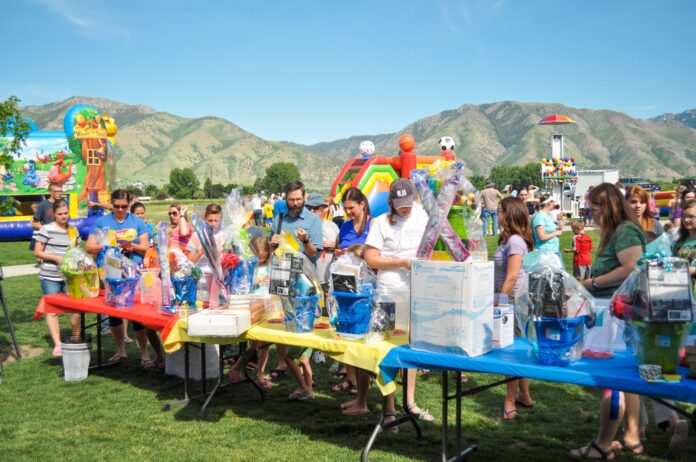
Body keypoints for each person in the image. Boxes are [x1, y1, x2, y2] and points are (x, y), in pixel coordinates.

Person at [571, 183, 647, 459]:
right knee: (624, 378)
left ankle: (603, 445)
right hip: (616, 311)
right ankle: (631, 436)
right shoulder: (619, 230)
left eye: (594, 209)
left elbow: (631, 267)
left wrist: (592, 283)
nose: (591, 214)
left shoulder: (625, 231)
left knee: (611, 379)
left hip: (617, 314)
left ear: (609, 207)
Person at [365, 179, 433, 424]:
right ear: (391, 202)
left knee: (411, 346)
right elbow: (371, 258)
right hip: (388, 292)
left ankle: (410, 401)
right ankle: (389, 407)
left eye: (408, 203)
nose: (405, 208)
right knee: (386, 348)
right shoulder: (380, 222)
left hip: (416, 291)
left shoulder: (423, 216)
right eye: (399, 204)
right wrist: (401, 262)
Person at [85, 189, 149, 364]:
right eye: (116, 206)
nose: (120, 209)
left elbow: (145, 247)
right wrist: (107, 244)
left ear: (129, 204)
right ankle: (120, 351)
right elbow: (89, 247)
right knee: (114, 313)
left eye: (124, 206)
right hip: (110, 274)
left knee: (137, 315)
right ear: (111, 204)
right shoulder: (101, 222)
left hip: (132, 274)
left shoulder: (137, 222)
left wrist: (132, 246)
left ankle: (145, 354)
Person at [494, 197, 534, 420]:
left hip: (512, 301)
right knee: (517, 348)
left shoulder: (516, 241)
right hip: (509, 299)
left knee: (511, 352)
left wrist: (498, 302)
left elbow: (511, 276)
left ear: (508, 214)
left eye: (499, 210)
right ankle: (525, 395)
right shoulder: (508, 239)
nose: (496, 214)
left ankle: (509, 400)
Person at [332, 188, 372, 401]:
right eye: (345, 208)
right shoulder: (345, 226)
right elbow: (339, 248)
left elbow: (376, 253)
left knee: (362, 333)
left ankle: (365, 376)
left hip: (367, 285)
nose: (348, 212)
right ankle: (351, 377)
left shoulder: (374, 225)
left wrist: (355, 251)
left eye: (351, 208)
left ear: (362, 204)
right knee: (346, 330)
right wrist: (340, 253)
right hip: (345, 283)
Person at [34, 199, 81, 356]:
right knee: (52, 310)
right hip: (50, 275)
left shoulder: (73, 230)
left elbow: (78, 250)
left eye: (66, 213)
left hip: (70, 276)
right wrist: (55, 258)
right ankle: (58, 344)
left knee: (76, 308)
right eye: (60, 214)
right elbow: (37, 252)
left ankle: (76, 337)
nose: (63, 216)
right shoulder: (46, 229)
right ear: (54, 214)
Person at [127, 201, 166, 370]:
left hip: (162, 292)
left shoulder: (165, 251)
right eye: (155, 237)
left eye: (142, 213)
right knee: (148, 327)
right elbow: (147, 271)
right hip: (148, 291)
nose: (156, 240)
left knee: (160, 326)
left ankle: (169, 359)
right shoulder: (149, 251)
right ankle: (159, 356)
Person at [270, 181, 323, 262]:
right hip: (282, 268)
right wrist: (273, 244)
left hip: (304, 269)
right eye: (291, 200)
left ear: (304, 197)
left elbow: (314, 254)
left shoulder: (314, 220)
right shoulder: (279, 219)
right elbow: (271, 252)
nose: (295, 203)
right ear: (286, 198)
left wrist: (305, 241)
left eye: (298, 199)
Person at [305, 192, 339, 291]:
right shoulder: (303, 225)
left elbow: (342, 244)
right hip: (308, 276)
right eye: (309, 208)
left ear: (322, 208)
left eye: (315, 208)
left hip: (328, 275)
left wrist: (333, 244)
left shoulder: (331, 225)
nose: (312, 210)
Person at [531, 196, 563, 263]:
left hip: (553, 251)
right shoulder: (539, 216)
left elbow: (551, 232)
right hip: (546, 254)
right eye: (553, 202)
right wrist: (557, 232)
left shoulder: (547, 216)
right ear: (549, 203)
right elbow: (542, 237)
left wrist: (559, 228)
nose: (554, 204)